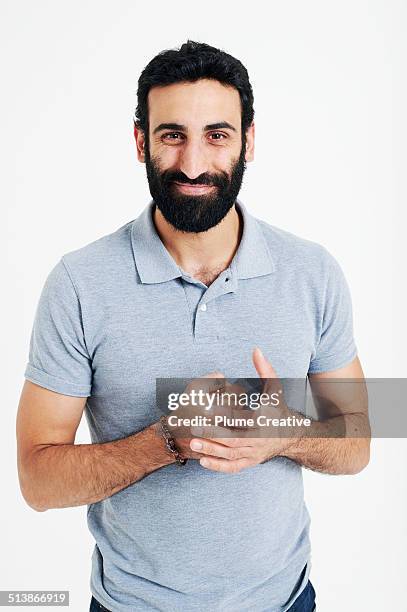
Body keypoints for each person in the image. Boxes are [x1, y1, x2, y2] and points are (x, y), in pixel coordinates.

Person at [16, 40, 370, 612]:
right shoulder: (79, 283)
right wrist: (166, 442)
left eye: (218, 135)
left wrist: (286, 434)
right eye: (172, 135)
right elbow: (36, 479)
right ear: (140, 142)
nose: (194, 164)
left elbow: (360, 438)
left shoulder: (313, 272)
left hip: (284, 601)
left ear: (249, 140)